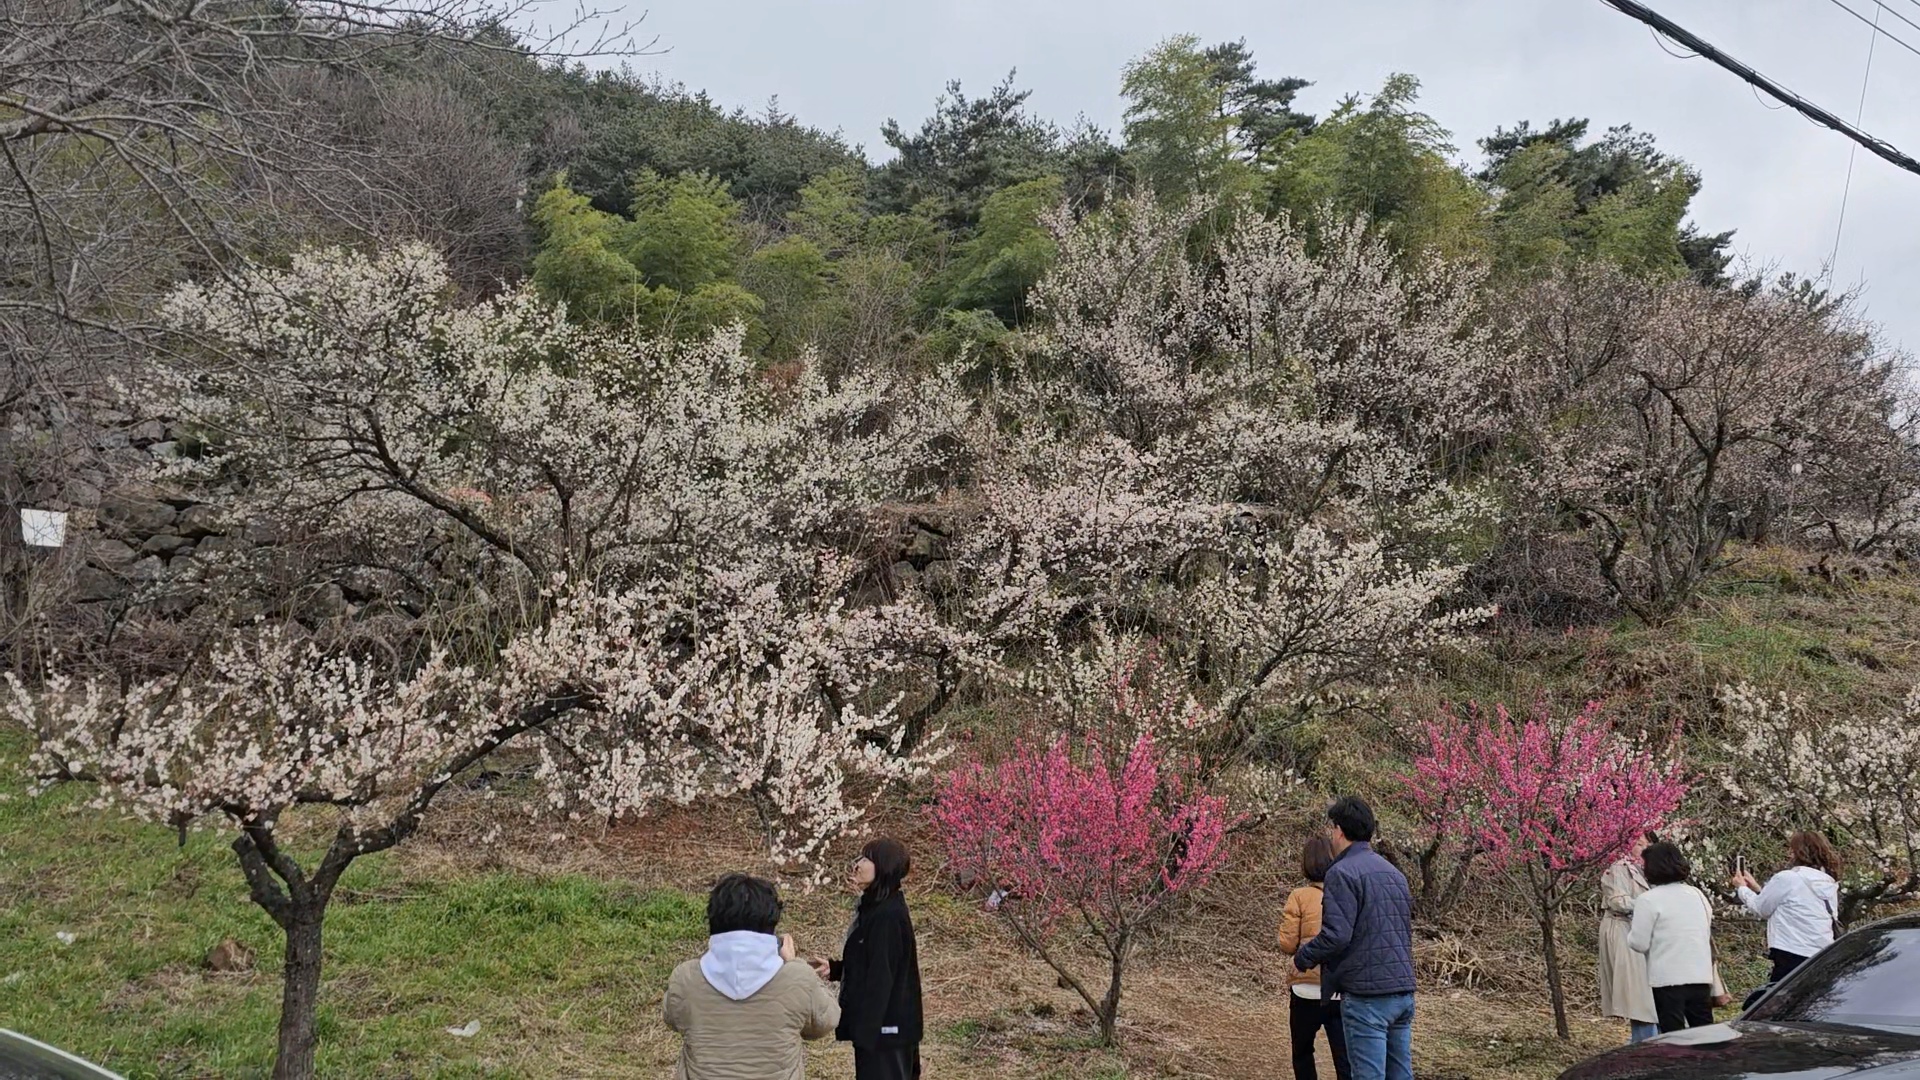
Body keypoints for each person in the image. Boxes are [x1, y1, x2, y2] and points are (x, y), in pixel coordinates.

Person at [664, 873, 840, 1080]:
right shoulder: (797, 977)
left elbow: (673, 1019)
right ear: (772, 922)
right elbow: (825, 1022)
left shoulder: (686, 978)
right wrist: (793, 963)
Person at [1294, 796, 1415, 1080]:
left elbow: (1337, 935)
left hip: (1367, 996)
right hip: (1402, 991)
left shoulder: (1342, 872)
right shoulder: (1395, 874)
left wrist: (1303, 958)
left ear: (1338, 830)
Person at [809, 838, 924, 1080]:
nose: (857, 864)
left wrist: (868, 1032)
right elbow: (873, 961)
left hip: (886, 1034)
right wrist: (838, 969)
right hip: (883, 1032)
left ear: (883, 867)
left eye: (866, 858)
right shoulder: (876, 907)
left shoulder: (887, 916)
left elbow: (883, 977)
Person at [1731, 831, 1843, 1003]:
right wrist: (1757, 888)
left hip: (1791, 951)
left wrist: (1742, 888)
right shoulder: (1827, 881)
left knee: (1776, 1005)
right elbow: (1792, 905)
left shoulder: (1787, 878)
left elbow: (1762, 909)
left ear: (1796, 852)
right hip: (1820, 953)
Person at [1628, 842, 1721, 1034]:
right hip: (1700, 975)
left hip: (1667, 978)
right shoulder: (1697, 894)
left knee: (1673, 1035)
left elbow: (1639, 942)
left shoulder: (1648, 899)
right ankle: (1706, 1063)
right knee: (1704, 1033)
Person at [1278, 836, 1351, 1080]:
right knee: (1345, 1059)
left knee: (1302, 1052)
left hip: (1305, 988)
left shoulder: (1299, 896)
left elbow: (1287, 943)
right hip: (1339, 989)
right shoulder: (1346, 893)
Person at [1599, 832, 1662, 1044]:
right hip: (1622, 929)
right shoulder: (1618, 868)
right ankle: (1644, 1044)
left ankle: (1655, 1042)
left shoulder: (1650, 870)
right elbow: (1618, 901)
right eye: (1638, 844)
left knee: (1651, 993)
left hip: (1645, 931)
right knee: (1639, 995)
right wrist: (1651, 905)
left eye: (1646, 844)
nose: (1642, 849)